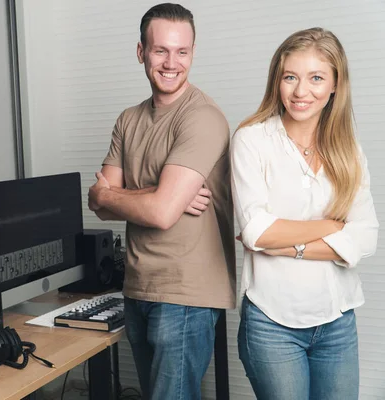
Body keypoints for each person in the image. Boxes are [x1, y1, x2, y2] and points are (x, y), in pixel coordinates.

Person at [87, 3, 236, 399]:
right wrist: (153, 192)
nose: (172, 62)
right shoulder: (128, 120)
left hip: (184, 295)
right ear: (141, 52)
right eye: (160, 50)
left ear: (193, 53)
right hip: (138, 288)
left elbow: (161, 212)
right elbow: (97, 202)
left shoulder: (202, 117)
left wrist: (130, 195)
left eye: (182, 51)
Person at [231, 27, 379, 400]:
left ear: (334, 85)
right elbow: (257, 232)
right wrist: (331, 227)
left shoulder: (348, 150)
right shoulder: (252, 139)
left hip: (337, 320)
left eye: (316, 78)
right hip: (271, 322)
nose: (301, 91)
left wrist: (289, 246)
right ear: (277, 80)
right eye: (290, 77)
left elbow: (365, 237)